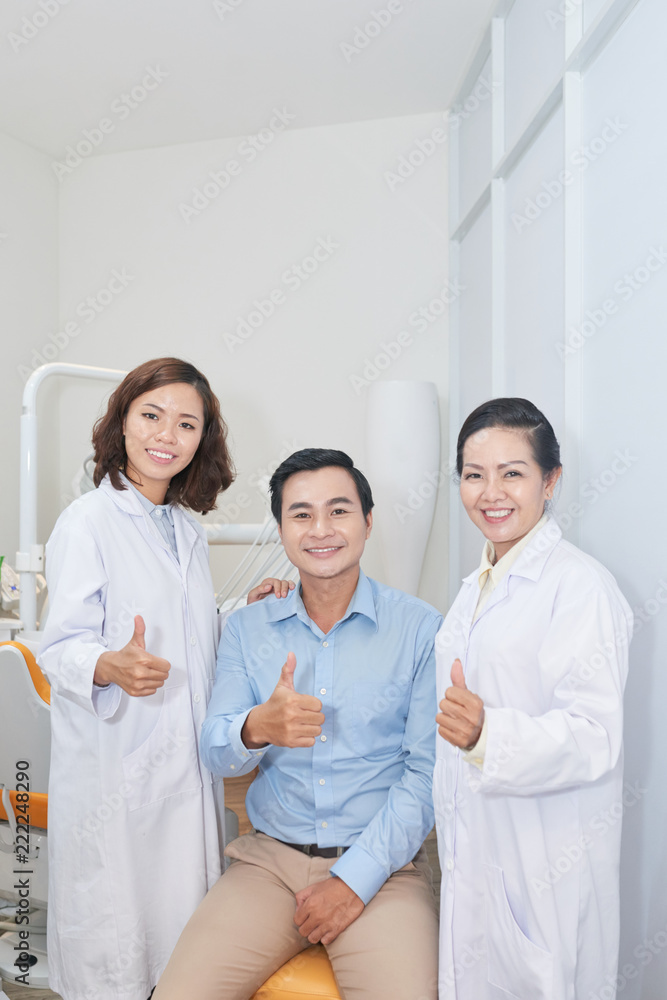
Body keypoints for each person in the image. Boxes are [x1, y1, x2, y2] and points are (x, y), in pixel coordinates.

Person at [39, 357, 292, 1000]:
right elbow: (59, 644)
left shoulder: (186, 528)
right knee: (115, 936)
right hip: (115, 764)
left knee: (179, 941)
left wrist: (242, 611)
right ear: (122, 422)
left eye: (186, 424)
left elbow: (189, 628)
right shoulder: (87, 523)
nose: (166, 435)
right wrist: (106, 664)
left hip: (182, 760)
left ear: (201, 440)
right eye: (151, 415)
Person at [153, 448, 442, 1000]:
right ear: (282, 529)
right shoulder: (247, 628)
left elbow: (426, 776)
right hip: (267, 866)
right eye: (301, 514)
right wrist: (257, 727)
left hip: (382, 868)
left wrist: (354, 882)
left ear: (368, 521)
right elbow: (215, 751)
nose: (321, 529)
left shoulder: (421, 629)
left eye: (339, 510)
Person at [434, 398, 633, 1000]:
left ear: (551, 481)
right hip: (480, 856)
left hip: (545, 867)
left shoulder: (580, 588)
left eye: (512, 473)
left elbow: (595, 736)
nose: (491, 492)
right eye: (474, 475)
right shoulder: (476, 588)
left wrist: (487, 736)